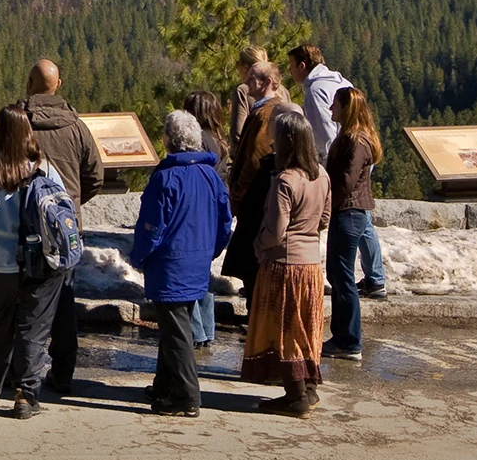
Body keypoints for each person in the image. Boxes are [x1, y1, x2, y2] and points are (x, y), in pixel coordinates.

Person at [0, 103, 69, 419]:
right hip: (38, 263)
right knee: (32, 328)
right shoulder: (45, 168)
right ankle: (25, 393)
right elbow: (61, 208)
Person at [129, 111, 232, 418]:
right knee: (175, 326)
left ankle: (187, 396)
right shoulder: (210, 175)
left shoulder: (166, 177)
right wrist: (211, 251)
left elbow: (151, 225)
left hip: (170, 265)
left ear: (168, 140)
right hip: (197, 261)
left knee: (176, 332)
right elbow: (224, 222)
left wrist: (139, 256)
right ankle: (164, 386)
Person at [240, 108, 331, 416]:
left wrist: (257, 244)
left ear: (288, 141)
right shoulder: (322, 176)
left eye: (277, 137)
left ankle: (295, 397)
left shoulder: (284, 181)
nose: (272, 142)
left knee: (286, 328)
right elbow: (325, 218)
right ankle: (309, 389)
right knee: (307, 326)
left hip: (284, 266)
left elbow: (276, 230)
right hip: (311, 265)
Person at [21, 59, 104, 394]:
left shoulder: (18, 121)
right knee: (64, 298)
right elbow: (95, 176)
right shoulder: (76, 125)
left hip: (24, 223)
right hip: (66, 229)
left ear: (29, 83)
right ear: (59, 84)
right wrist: (67, 208)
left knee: (26, 299)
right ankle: (63, 371)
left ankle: (22, 373)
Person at [287, 45, 387, 299]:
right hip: (358, 155)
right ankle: (375, 277)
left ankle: (372, 280)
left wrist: (322, 164)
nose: (290, 71)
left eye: (291, 65)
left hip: (342, 159)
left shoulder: (316, 90)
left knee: (354, 216)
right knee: (362, 217)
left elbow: (323, 132)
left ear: (302, 65)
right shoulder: (338, 80)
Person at [221, 62, 298, 296]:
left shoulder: (267, 114)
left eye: (252, 78)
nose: (246, 82)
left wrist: (238, 195)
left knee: (252, 262)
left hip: (255, 198)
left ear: (266, 83)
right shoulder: (262, 110)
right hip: (256, 197)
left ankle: (255, 318)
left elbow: (255, 159)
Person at [323, 87, 384, 361]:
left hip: (348, 211)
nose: (330, 109)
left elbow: (347, 181)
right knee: (337, 274)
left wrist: (326, 200)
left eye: (334, 104)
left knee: (342, 276)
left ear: (347, 108)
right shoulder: (350, 137)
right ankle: (342, 337)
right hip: (347, 211)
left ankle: (349, 341)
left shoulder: (355, 141)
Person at [181, 90, 228, 353]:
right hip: (213, 209)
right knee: (204, 274)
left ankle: (196, 331)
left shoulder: (198, 141)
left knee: (191, 276)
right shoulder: (219, 140)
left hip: (197, 210)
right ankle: (207, 329)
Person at [228, 45, 269, 156]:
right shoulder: (281, 89)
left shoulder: (243, 91)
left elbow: (238, 133)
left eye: (238, 65)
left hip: (251, 158)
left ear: (245, 67)